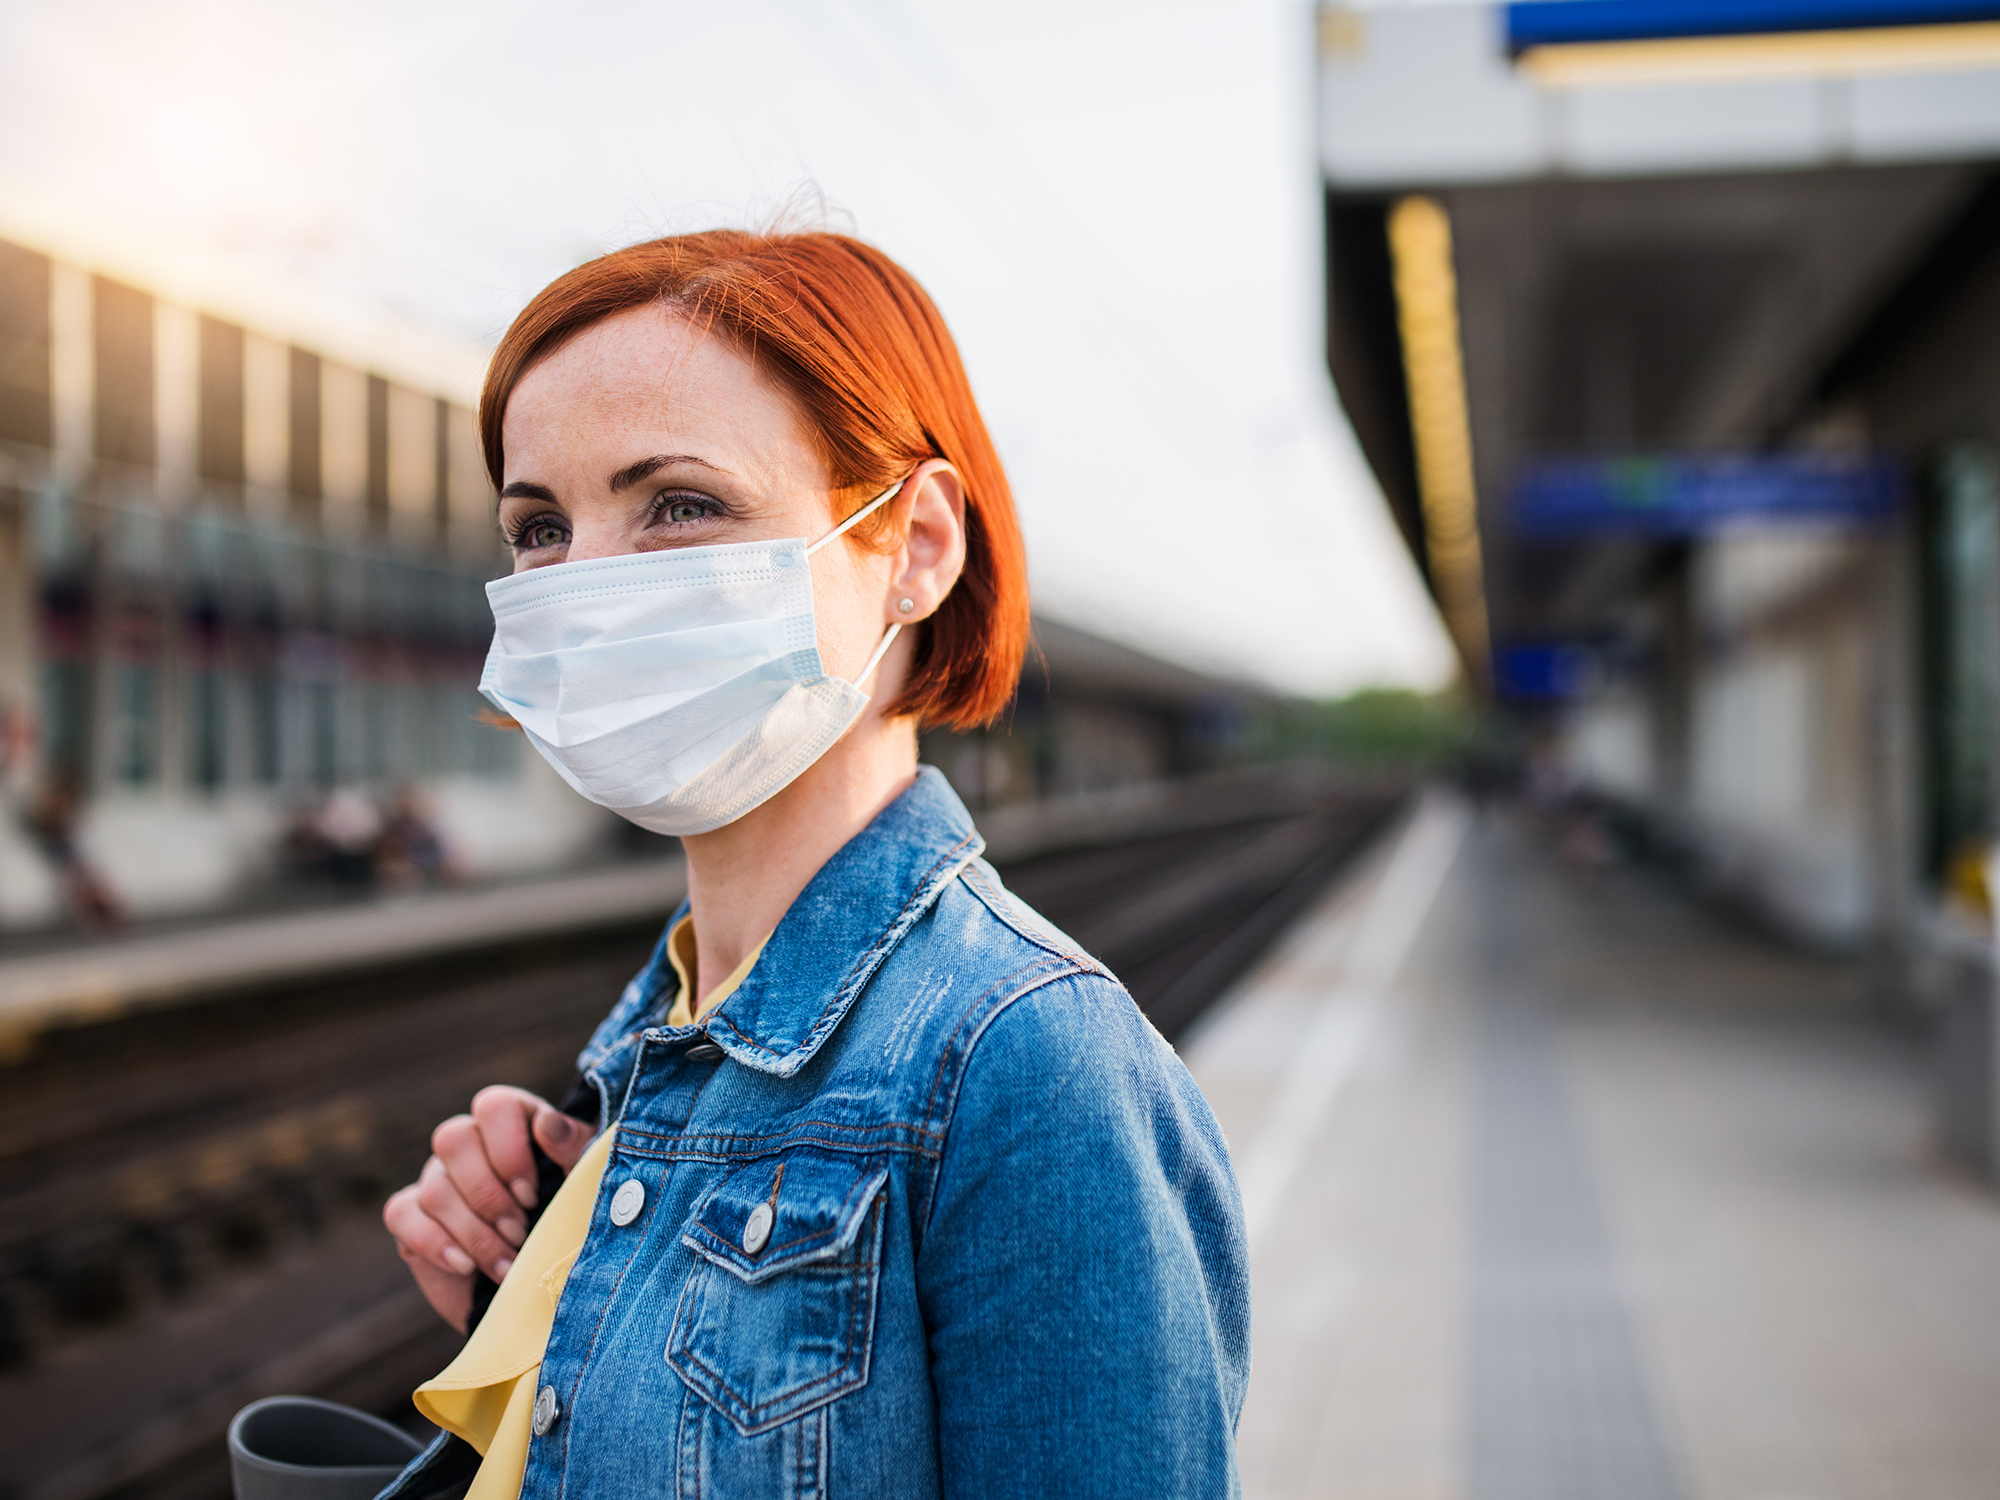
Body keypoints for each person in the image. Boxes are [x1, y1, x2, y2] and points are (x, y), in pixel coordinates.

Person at [378, 230, 1249, 1500]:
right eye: (541, 525)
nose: (587, 587)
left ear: (912, 545)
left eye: (679, 504)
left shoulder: (1031, 1070)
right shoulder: (660, 1035)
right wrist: (536, 1307)